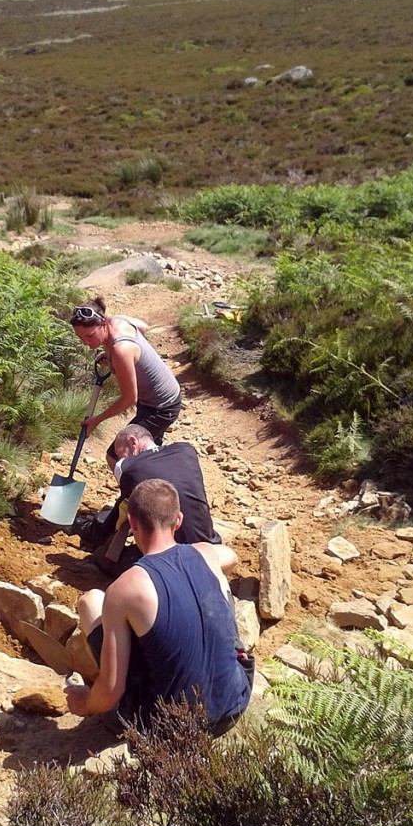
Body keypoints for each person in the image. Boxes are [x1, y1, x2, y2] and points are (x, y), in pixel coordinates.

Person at [65, 479, 251, 735]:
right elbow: (231, 556)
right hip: (235, 702)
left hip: (173, 727)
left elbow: (110, 694)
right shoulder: (206, 554)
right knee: (219, 588)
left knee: (90, 601)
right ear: (179, 520)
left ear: (132, 524)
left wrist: (84, 703)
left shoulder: (125, 588)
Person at [70, 298, 181, 469]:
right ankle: (160, 488)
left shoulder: (120, 350)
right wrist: (124, 357)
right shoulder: (118, 321)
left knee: (117, 456)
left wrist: (96, 420)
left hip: (161, 407)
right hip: (160, 397)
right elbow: (143, 327)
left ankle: (138, 494)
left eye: (90, 335)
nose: (86, 342)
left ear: (103, 323)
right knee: (147, 454)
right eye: (80, 337)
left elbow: (129, 399)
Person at [82, 424, 222, 557]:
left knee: (103, 556)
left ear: (133, 442)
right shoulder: (186, 450)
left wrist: (103, 535)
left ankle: (96, 535)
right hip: (210, 547)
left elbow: (127, 512)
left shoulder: (126, 467)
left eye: (120, 453)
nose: (119, 459)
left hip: (173, 558)